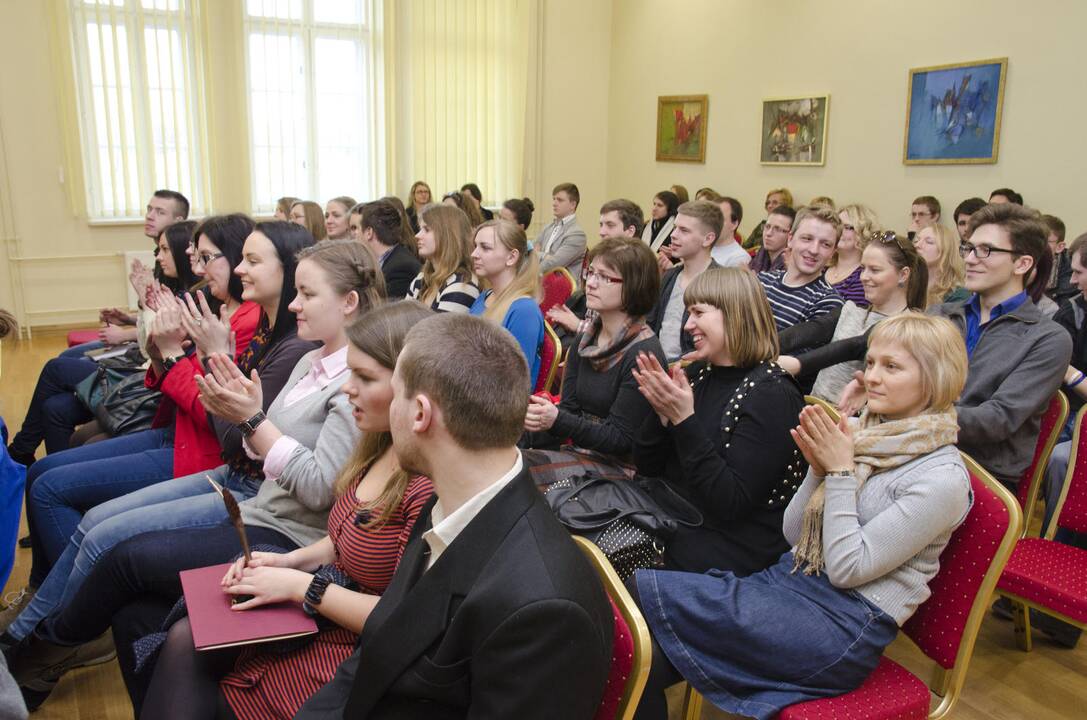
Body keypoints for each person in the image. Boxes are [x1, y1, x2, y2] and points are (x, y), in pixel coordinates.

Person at [7, 238, 382, 710]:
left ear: (349, 302)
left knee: (122, 556)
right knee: (128, 602)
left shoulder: (355, 378)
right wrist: (246, 414)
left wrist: (249, 417)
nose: (293, 304)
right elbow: (249, 439)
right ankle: (44, 654)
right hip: (257, 501)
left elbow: (317, 486)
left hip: (289, 535)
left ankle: (31, 654)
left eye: (306, 294)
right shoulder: (311, 359)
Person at [632, 312, 973, 720]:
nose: (872, 377)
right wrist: (818, 469)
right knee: (639, 652)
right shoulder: (864, 433)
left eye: (892, 367)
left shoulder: (942, 479)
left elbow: (848, 569)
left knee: (637, 600)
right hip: (792, 582)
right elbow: (795, 535)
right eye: (871, 363)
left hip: (843, 626)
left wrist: (841, 472)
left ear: (934, 379)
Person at [294, 312, 613, 719]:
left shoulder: (544, 611)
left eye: (395, 393)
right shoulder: (450, 501)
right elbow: (378, 649)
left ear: (420, 414)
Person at [136, 301, 436, 720]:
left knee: (150, 594)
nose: (347, 387)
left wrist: (299, 586)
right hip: (326, 596)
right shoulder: (376, 444)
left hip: (356, 642)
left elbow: (404, 617)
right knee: (173, 628)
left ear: (411, 389)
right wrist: (290, 561)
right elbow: (348, 534)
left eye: (364, 377)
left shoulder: (426, 483)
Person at [841, 203, 1072, 491]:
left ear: (1022, 264)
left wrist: (904, 407)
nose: (971, 259)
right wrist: (873, 387)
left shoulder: (1047, 338)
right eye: (969, 248)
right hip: (907, 450)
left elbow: (996, 420)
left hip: (978, 472)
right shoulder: (940, 315)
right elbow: (893, 369)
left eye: (985, 250)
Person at [633, 267, 806, 576]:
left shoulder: (773, 395)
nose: (688, 325)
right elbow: (647, 469)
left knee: (604, 557)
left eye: (698, 312)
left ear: (735, 314)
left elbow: (730, 503)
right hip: (677, 515)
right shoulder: (700, 373)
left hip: (730, 546)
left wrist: (683, 420)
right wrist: (660, 415)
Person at [6, 191, 189, 466]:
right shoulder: (166, 263)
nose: (150, 215)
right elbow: (152, 325)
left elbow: (156, 342)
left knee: (57, 370)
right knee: (57, 395)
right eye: (149, 208)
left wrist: (134, 320)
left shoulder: (185, 279)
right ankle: (44, 465)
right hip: (144, 361)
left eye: (159, 212)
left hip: (143, 368)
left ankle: (24, 454)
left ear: (179, 221)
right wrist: (130, 318)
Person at [522, 237, 664, 485]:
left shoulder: (642, 353)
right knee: (503, 463)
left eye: (605, 277)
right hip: (579, 454)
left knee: (516, 480)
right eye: (591, 273)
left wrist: (556, 419)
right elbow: (569, 410)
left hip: (620, 471)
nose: (591, 283)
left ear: (634, 286)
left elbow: (620, 440)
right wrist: (539, 421)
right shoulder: (585, 340)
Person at [779, 230, 929, 403]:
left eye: (875, 270)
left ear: (903, 274)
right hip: (814, 408)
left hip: (853, 420)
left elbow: (856, 346)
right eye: (863, 268)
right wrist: (763, 347)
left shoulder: (906, 325)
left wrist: (798, 364)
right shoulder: (850, 310)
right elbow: (809, 331)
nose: (864, 277)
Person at [546, 199, 644, 352]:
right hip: (587, 342)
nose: (602, 232)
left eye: (610, 225)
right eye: (601, 225)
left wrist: (577, 325)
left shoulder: (638, 270)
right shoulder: (602, 257)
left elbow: (622, 333)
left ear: (630, 231)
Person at [469, 220, 545, 383]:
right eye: (475, 246)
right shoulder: (486, 296)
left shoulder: (524, 311)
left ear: (511, 257)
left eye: (485, 247)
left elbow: (515, 381)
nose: (474, 254)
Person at [647, 200, 720, 362]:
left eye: (684, 230)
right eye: (675, 228)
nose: (673, 235)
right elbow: (651, 324)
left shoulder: (719, 284)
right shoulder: (670, 276)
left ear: (708, 239)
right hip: (658, 364)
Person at [757, 204, 844, 334]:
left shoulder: (828, 302)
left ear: (833, 252)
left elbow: (795, 353)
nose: (814, 250)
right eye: (807, 239)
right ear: (790, 239)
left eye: (825, 244)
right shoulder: (762, 281)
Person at [407, 204, 480, 312]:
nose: (417, 235)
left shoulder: (463, 284)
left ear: (448, 235)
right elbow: (401, 324)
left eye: (426, 229)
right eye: (420, 229)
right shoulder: (422, 279)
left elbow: (437, 329)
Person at [351, 200, 422, 299]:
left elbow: (386, 312)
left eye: (355, 228)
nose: (352, 234)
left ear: (369, 233)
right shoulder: (384, 261)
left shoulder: (401, 269)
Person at [824, 204, 879, 306]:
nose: (840, 231)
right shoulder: (821, 266)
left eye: (848, 227)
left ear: (863, 233)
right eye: (837, 226)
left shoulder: (864, 278)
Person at [535, 182, 587, 282]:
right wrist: (545, 256)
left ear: (573, 204)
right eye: (554, 199)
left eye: (560, 200)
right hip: (542, 283)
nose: (554, 203)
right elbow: (530, 252)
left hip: (562, 289)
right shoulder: (548, 227)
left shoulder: (577, 234)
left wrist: (529, 275)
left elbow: (554, 263)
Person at [913, 223, 969, 306]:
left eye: (929, 242)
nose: (917, 245)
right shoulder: (908, 288)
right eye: (916, 241)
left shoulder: (957, 295)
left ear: (945, 252)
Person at [748, 205, 795, 273]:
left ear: (790, 236)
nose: (768, 233)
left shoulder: (791, 267)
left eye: (778, 229)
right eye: (767, 226)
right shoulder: (760, 255)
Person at [1043, 214, 1075, 302]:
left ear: (1059, 247)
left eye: (1044, 241)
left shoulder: (1072, 270)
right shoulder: (1021, 261)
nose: (1036, 245)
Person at [711, 196, 749, 268]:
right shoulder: (701, 247)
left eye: (719, 218)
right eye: (711, 217)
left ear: (734, 224)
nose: (713, 222)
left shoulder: (739, 258)